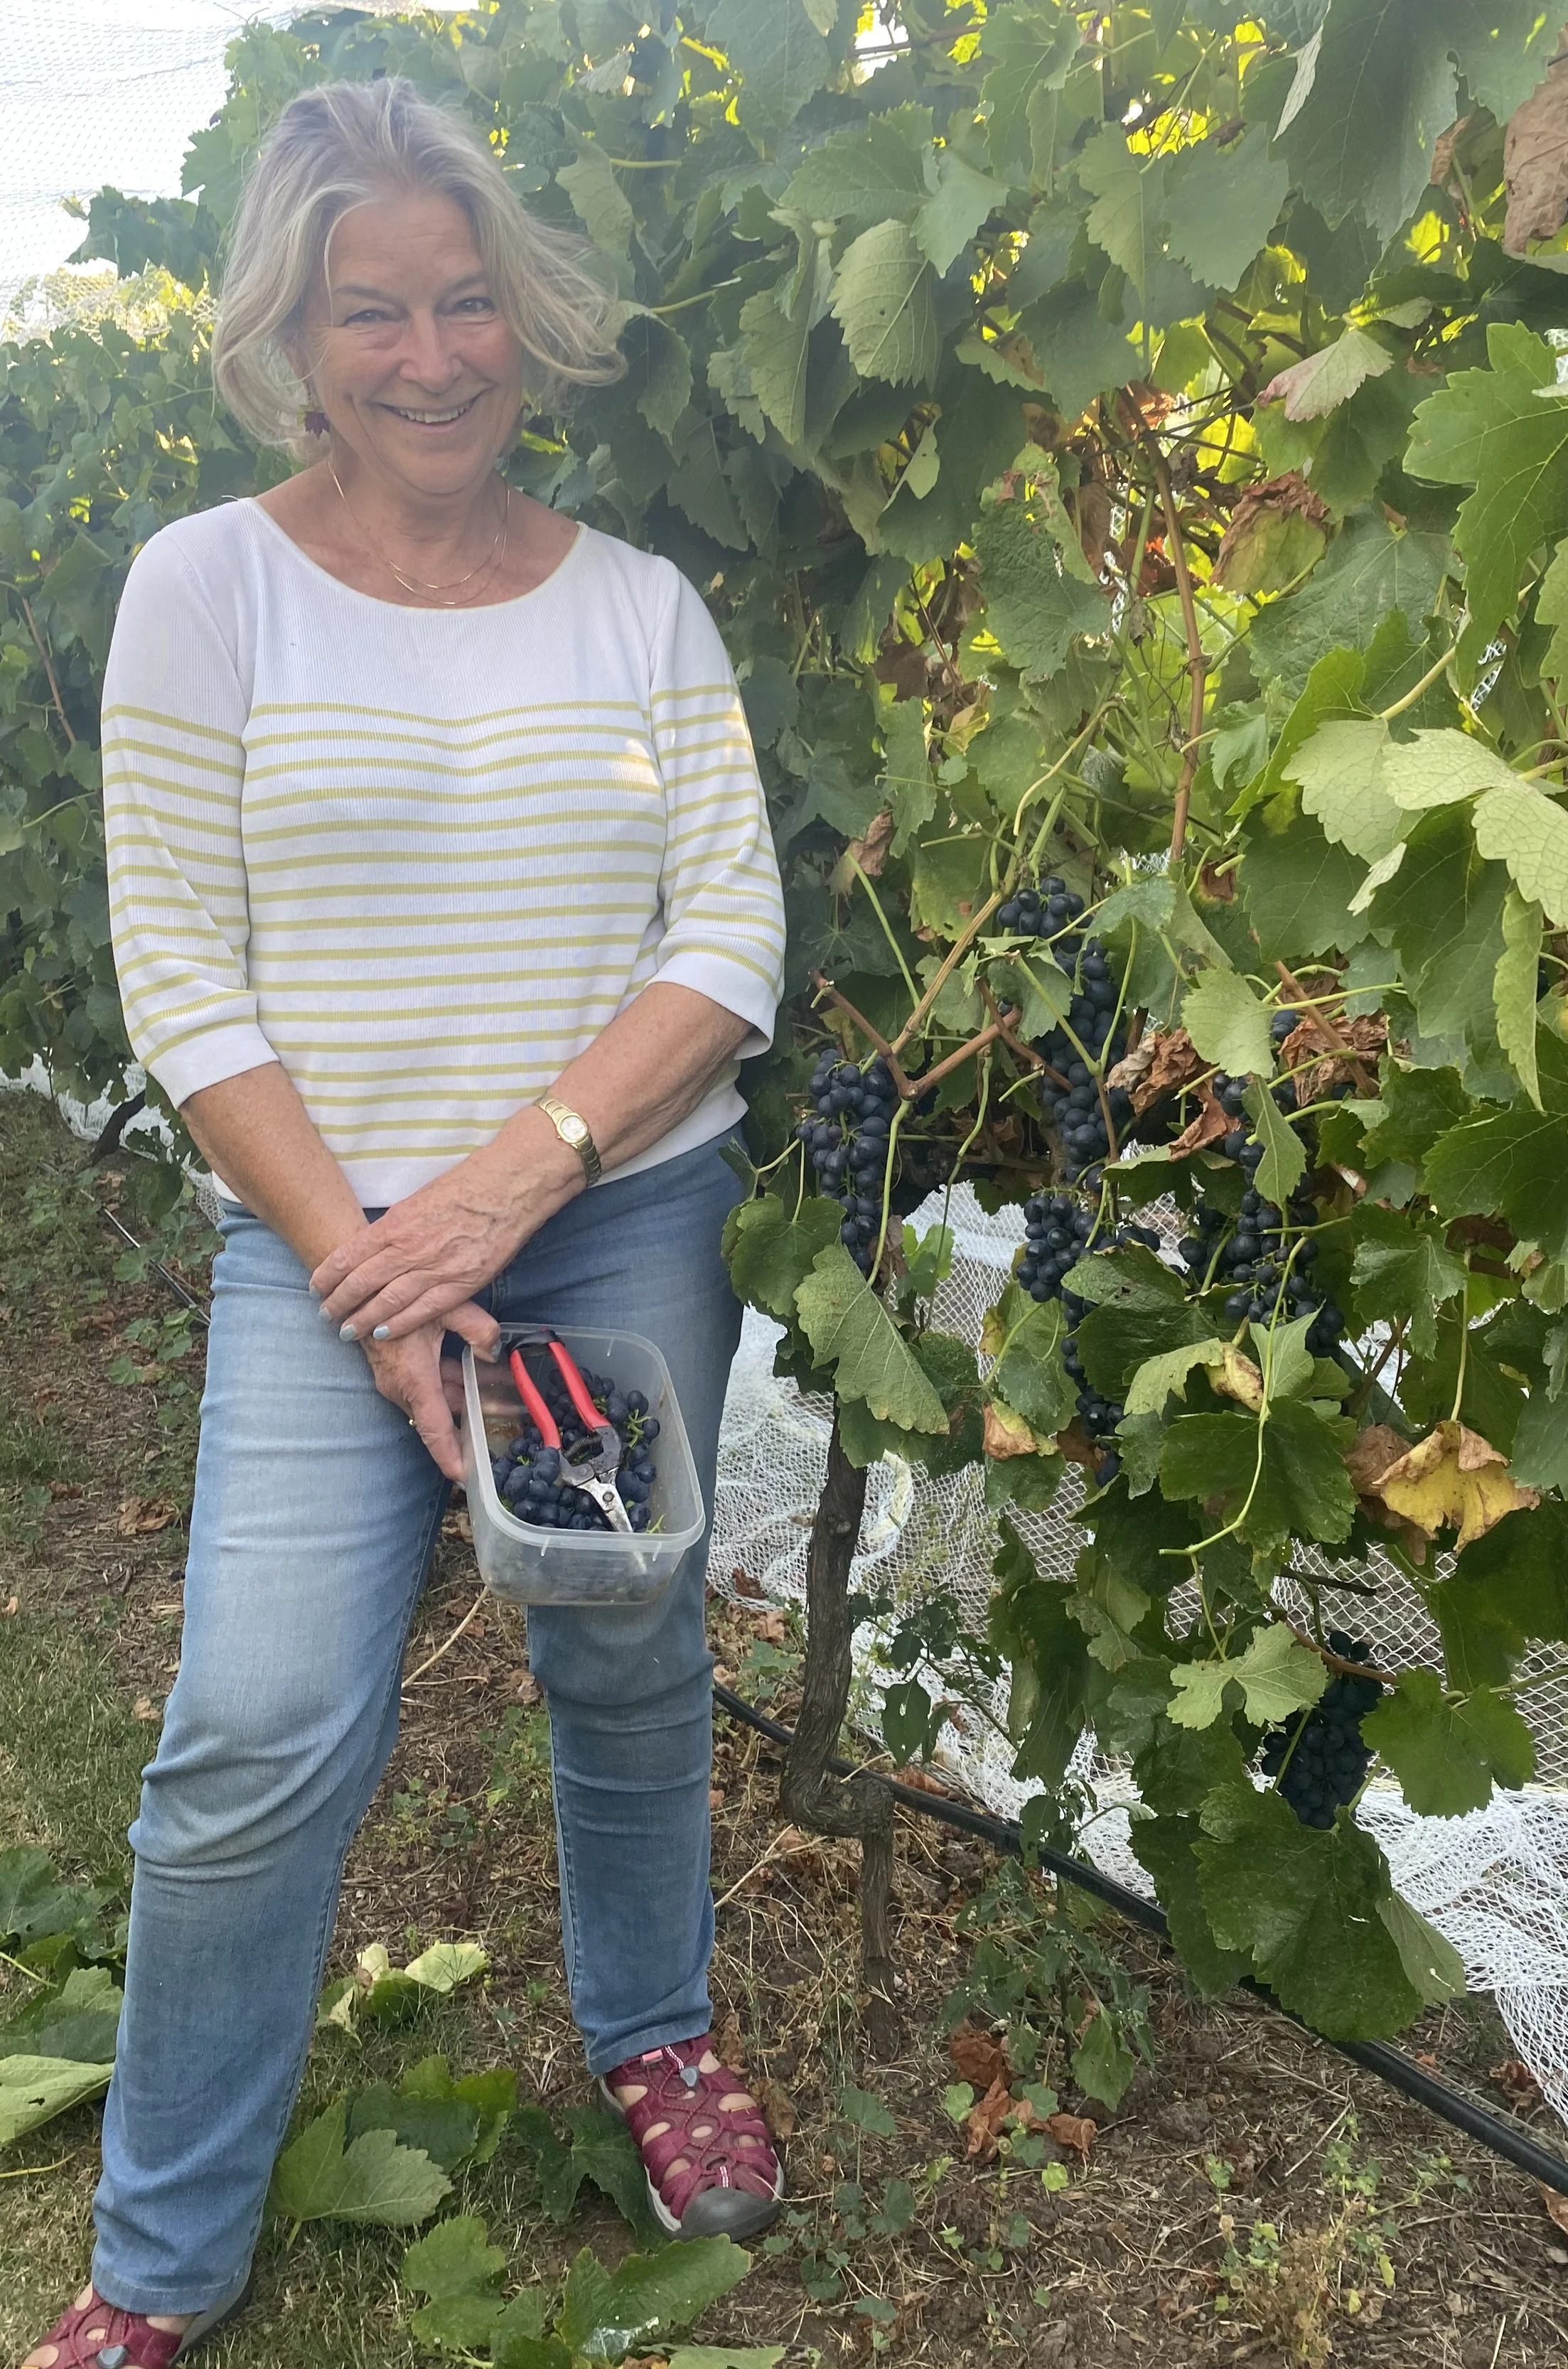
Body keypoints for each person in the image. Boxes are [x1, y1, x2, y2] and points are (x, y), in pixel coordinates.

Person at [23, 75, 787, 2369]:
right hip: (317, 1242)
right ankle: (160, 2251)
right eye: (376, 309)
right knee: (256, 1715)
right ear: (294, 330)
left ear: (524, 318)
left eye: (469, 300)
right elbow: (181, 968)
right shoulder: (208, 585)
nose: (431, 350)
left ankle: (649, 2024)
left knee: (622, 1634)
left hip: (604, 1218)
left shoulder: (638, 608)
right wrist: (373, 1271)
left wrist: (494, 1194)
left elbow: (728, 931)